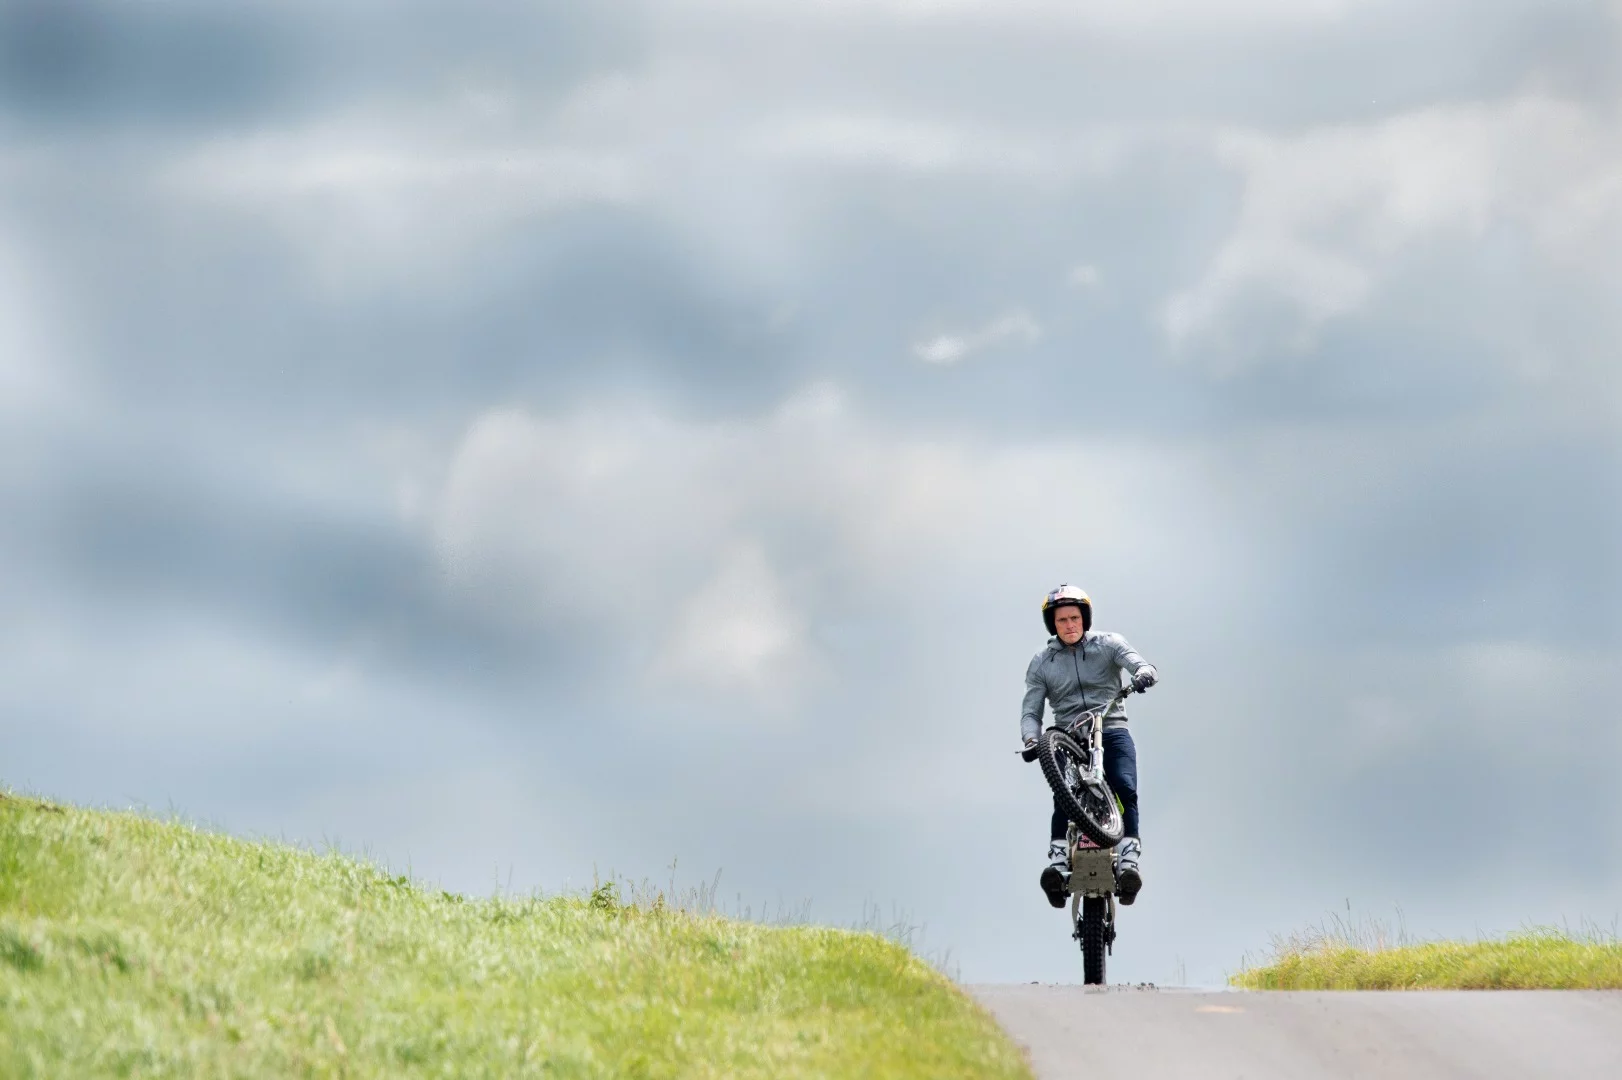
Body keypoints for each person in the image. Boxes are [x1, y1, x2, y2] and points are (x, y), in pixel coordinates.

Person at [1022, 584, 1156, 908]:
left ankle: (1128, 862)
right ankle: (1056, 864)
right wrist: (1030, 738)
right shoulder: (1042, 663)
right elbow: (1031, 710)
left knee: (1125, 786)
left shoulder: (1109, 644)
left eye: (1074, 618)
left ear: (1085, 618)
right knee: (1063, 795)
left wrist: (1143, 672)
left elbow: (1137, 662)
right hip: (1068, 734)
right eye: (1061, 620)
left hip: (1110, 727)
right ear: (1052, 624)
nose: (1069, 625)